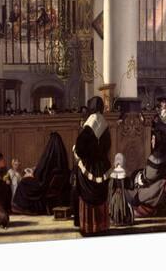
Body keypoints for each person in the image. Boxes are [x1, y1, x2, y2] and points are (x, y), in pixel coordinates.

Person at [73, 96, 111, 235]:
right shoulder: (105, 123)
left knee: (82, 188)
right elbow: (107, 146)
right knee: (100, 194)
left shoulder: (89, 123)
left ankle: (89, 226)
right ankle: (102, 225)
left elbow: (80, 149)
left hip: (89, 166)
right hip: (102, 165)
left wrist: (77, 151)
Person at [12, 132, 70, 215]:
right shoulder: (61, 157)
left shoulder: (50, 155)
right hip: (50, 185)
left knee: (23, 182)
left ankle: (24, 208)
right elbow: (45, 171)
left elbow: (41, 173)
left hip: (43, 186)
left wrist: (32, 174)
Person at [125, 130, 166, 217]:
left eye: (153, 139)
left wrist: (137, 176)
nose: (151, 141)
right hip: (158, 189)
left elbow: (148, 178)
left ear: (158, 141)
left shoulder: (156, 158)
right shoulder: (165, 156)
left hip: (152, 193)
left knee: (126, 192)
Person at [108, 153, 134, 226]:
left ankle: (115, 220)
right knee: (126, 204)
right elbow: (129, 185)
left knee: (114, 205)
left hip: (115, 195)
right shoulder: (123, 172)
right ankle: (123, 220)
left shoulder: (113, 172)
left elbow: (111, 186)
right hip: (123, 194)